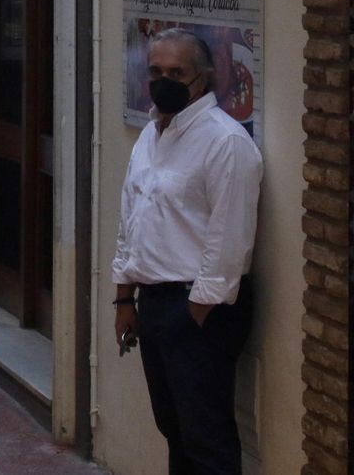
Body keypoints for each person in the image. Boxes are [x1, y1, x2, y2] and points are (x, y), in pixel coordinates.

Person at [111, 28, 262, 475]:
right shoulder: (151, 136)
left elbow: (230, 239)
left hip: (201, 309)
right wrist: (124, 297)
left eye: (177, 72)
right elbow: (131, 220)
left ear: (204, 79)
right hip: (153, 304)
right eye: (156, 71)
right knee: (174, 430)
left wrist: (193, 314)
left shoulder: (225, 141)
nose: (164, 81)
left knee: (207, 439)